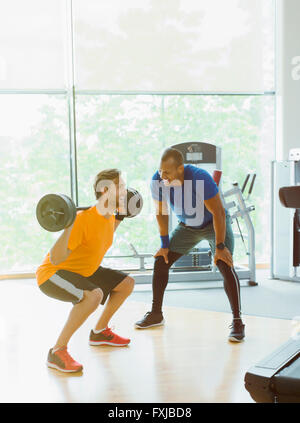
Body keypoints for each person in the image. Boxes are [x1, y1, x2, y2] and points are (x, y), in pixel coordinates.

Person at [135, 148, 245, 342]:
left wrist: (220, 246)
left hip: (213, 223)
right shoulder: (157, 181)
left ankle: (237, 321)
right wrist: (164, 244)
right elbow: (161, 213)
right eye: (160, 171)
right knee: (162, 259)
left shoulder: (199, 178)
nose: (162, 176)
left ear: (180, 169)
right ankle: (155, 314)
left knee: (224, 263)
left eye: (167, 172)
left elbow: (218, 212)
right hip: (187, 226)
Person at [36, 169, 135, 373]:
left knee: (126, 284)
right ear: (106, 190)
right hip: (53, 274)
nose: (126, 192)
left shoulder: (108, 217)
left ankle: (99, 332)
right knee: (93, 296)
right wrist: (68, 226)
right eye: (122, 187)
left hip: (82, 271)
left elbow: (102, 238)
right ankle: (57, 351)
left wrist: (121, 217)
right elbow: (55, 258)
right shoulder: (82, 219)